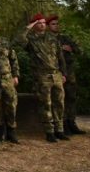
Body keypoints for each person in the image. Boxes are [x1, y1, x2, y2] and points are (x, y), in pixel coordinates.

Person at [17, 14, 68, 142]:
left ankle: (60, 130)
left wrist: (64, 73)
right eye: (39, 23)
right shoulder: (31, 40)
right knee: (46, 104)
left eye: (44, 23)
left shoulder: (52, 38)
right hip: (42, 76)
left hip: (56, 74)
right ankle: (49, 132)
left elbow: (60, 57)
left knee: (59, 103)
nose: (43, 25)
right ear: (34, 25)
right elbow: (19, 39)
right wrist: (29, 26)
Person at [47, 14, 87, 135]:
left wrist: (71, 48)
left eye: (57, 23)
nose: (56, 26)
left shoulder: (65, 38)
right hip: (57, 73)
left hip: (69, 72)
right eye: (53, 24)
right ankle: (62, 124)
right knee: (59, 99)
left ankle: (72, 122)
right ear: (49, 26)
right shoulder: (46, 39)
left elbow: (79, 50)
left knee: (72, 98)